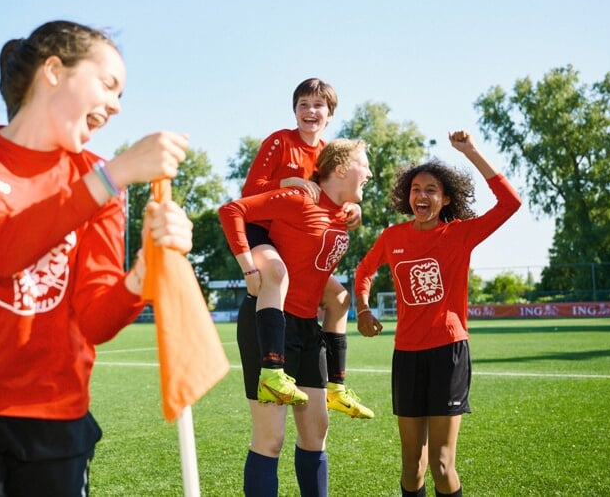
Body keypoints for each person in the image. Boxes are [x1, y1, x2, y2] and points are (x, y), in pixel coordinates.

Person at [0, 20, 193, 496]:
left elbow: (96, 320)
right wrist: (116, 172)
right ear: (54, 70)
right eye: (108, 84)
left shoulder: (98, 182)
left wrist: (142, 274)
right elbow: (2, 248)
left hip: (59, 421)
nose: (118, 105)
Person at [353, 130, 521, 497]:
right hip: (406, 354)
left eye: (431, 189)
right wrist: (362, 308)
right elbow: (363, 271)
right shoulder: (391, 237)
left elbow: (510, 203)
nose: (422, 195)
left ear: (445, 199)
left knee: (442, 464)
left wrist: (472, 151)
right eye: (416, 188)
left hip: (448, 352)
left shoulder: (460, 235)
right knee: (412, 463)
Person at [220, 138, 373, 496]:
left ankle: (338, 387)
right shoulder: (299, 199)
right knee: (270, 439)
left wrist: (353, 209)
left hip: (309, 329)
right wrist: (248, 268)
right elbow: (232, 211)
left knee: (316, 434)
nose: (369, 173)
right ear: (340, 169)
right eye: (364, 165)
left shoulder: (342, 212)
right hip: (269, 323)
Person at [241, 77, 373, 420]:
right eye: (303, 104)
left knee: (340, 298)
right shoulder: (280, 141)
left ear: (330, 115)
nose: (310, 111)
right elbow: (249, 192)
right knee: (275, 273)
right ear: (294, 110)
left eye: (318, 105)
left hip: (297, 244)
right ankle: (271, 371)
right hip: (263, 233)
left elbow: (330, 199)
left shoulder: (331, 153)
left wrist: (353, 209)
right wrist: (287, 181)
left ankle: (336, 386)